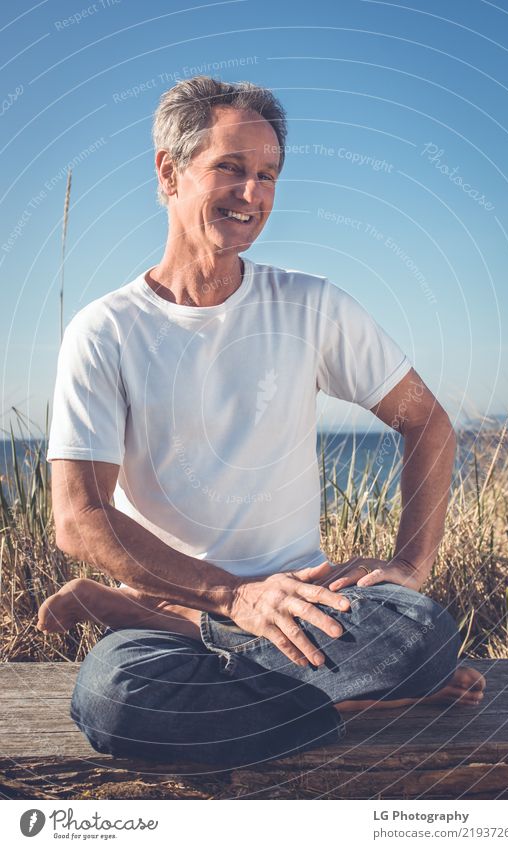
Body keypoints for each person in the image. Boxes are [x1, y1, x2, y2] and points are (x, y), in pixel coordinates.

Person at [40, 76, 485, 768]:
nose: (251, 194)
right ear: (169, 171)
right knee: (116, 698)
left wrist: (408, 562)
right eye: (230, 168)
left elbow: (425, 422)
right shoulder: (105, 330)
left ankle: (203, 637)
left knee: (418, 631)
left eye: (267, 175)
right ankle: (354, 694)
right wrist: (233, 596)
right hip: (172, 596)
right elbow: (79, 518)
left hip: (304, 607)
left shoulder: (310, 305)